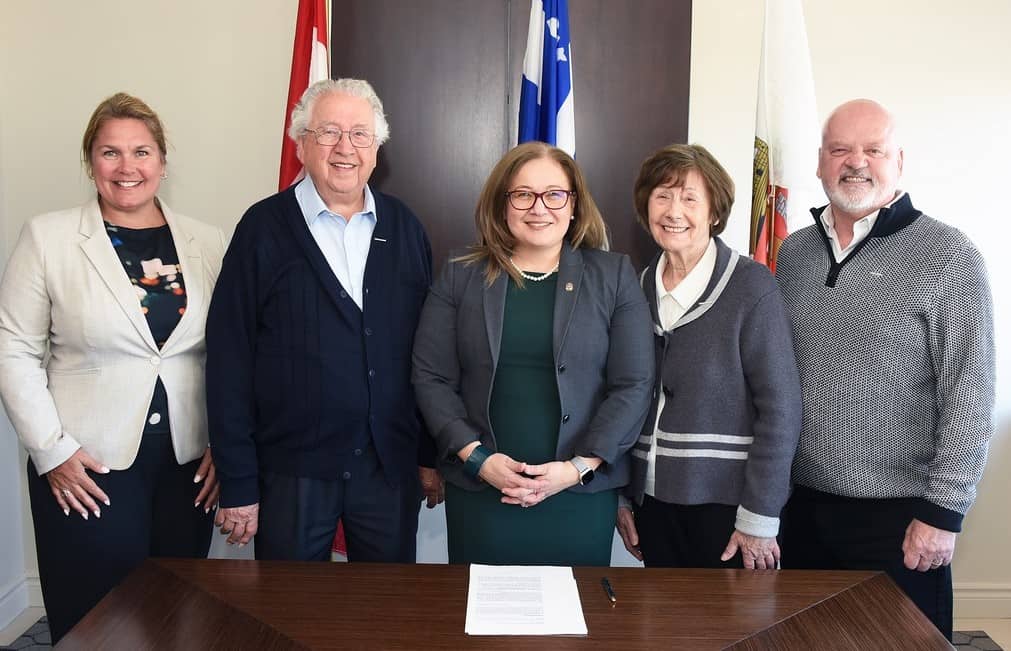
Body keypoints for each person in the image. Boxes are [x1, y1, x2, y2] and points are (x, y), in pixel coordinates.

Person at [0, 93, 226, 642]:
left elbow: (230, 354)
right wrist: (52, 451)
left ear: (163, 162)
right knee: (95, 621)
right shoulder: (48, 237)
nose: (128, 167)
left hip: (189, 467)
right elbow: (13, 349)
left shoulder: (209, 241)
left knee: (178, 614)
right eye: (110, 152)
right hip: (86, 466)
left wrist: (228, 444)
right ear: (89, 162)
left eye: (142, 151)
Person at [776, 99, 995, 640]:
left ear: (899, 160)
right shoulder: (794, 254)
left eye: (873, 149)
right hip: (802, 510)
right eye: (841, 149)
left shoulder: (949, 256)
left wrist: (943, 515)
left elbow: (970, 395)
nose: (856, 162)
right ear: (820, 163)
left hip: (899, 521)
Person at [207, 78, 439, 562]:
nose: (345, 148)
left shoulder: (405, 228)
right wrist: (238, 479)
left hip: (387, 470)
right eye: (328, 132)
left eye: (360, 134)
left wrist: (428, 457)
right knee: (292, 620)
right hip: (292, 473)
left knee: (386, 620)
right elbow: (229, 360)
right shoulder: (261, 229)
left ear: (376, 148)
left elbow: (429, 355)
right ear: (301, 144)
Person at [412, 141, 654, 566]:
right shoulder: (460, 274)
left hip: (578, 491)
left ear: (574, 204)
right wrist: (477, 459)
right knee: (481, 618)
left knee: (575, 621)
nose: (539, 207)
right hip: (484, 489)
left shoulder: (614, 275)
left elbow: (633, 385)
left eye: (554, 194)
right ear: (502, 204)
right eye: (523, 194)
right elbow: (431, 377)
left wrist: (578, 466)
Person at [614, 143, 802, 570]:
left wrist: (760, 516)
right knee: (661, 629)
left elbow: (781, 408)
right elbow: (621, 397)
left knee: (728, 632)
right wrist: (622, 497)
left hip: (730, 508)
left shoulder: (752, 288)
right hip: (652, 504)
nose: (673, 210)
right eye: (662, 195)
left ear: (714, 213)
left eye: (689, 198)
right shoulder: (634, 289)